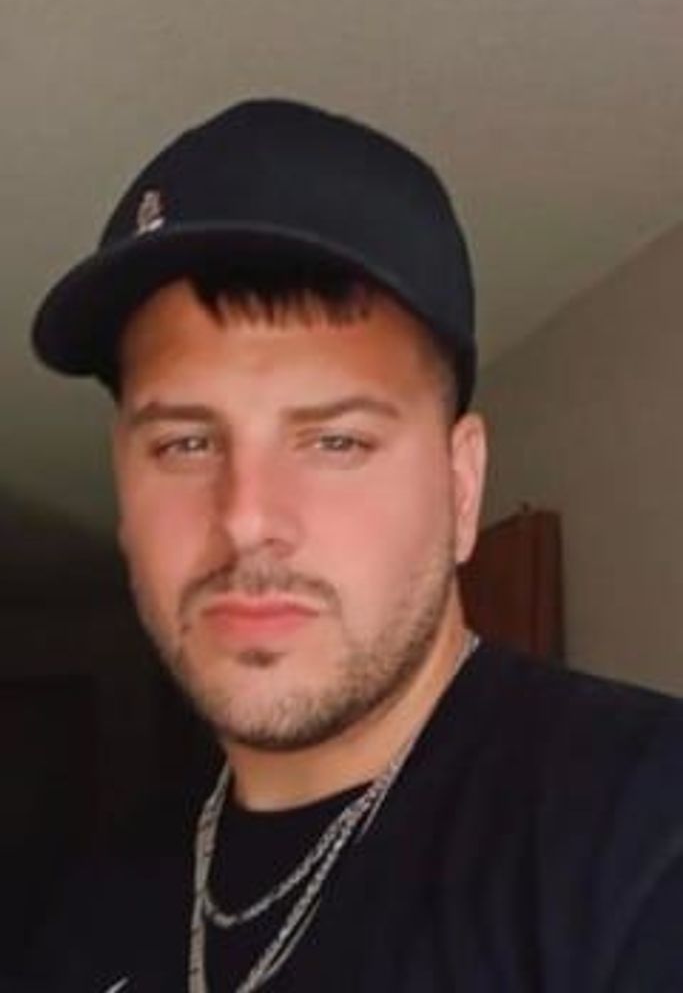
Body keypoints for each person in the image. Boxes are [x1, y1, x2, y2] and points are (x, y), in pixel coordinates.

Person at [26, 99, 683, 992]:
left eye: (335, 441)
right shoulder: (77, 910)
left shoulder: (641, 837)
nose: (246, 517)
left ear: (460, 486)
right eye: (185, 443)